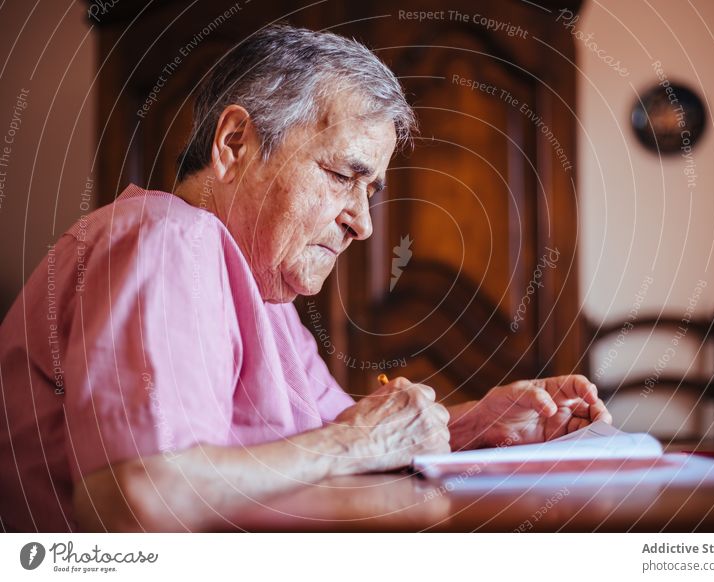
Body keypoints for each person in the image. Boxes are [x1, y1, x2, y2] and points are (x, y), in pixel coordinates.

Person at [0, 24, 610, 532]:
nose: (363, 224)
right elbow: (136, 500)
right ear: (235, 143)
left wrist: (476, 424)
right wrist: (362, 443)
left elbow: (331, 442)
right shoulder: (169, 240)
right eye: (343, 175)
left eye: (371, 191)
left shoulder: (261, 289)